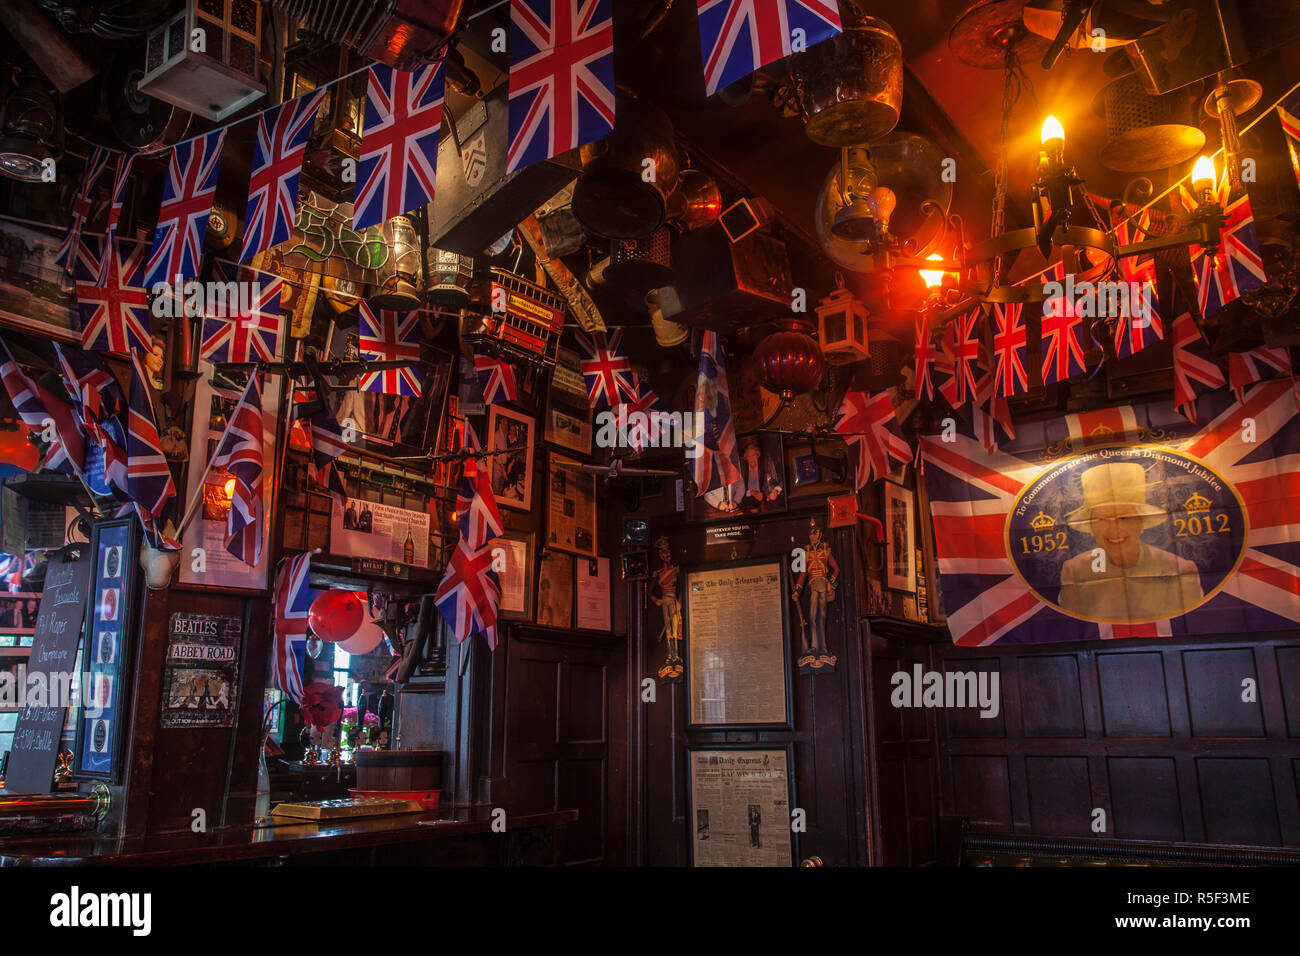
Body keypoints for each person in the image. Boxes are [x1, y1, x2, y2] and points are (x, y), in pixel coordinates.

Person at [1058, 462, 1204, 621]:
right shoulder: (1075, 571)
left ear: (1141, 522)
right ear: (1091, 526)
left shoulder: (1181, 570)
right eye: (1102, 519)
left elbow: (1196, 623)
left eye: (1124, 517)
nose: (1114, 528)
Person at [792, 517, 839, 671]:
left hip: (823, 586)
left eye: (814, 534)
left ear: (819, 534)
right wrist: (797, 591)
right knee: (812, 616)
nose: (812, 537)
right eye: (810, 534)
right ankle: (813, 646)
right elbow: (803, 574)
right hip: (813, 586)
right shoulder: (806, 552)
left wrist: (831, 583)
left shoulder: (826, 550)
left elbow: (836, 569)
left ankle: (823, 647)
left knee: (822, 618)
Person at [649, 536, 683, 681]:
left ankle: (676, 657)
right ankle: (670, 656)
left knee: (674, 628)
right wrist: (657, 601)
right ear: (660, 555)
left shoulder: (676, 571)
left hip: (674, 601)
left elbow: (682, 587)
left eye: (668, 551)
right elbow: (649, 591)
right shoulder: (658, 574)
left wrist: (680, 602)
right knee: (668, 629)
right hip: (665, 601)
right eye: (664, 552)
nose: (667, 554)